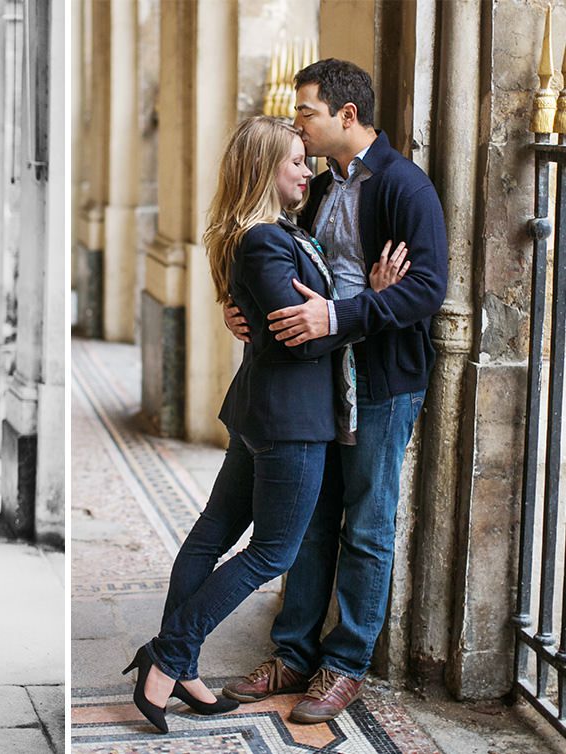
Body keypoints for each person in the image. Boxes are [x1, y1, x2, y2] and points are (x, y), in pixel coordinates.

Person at [122, 116, 407, 734]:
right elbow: (300, 340)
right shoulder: (263, 241)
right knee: (271, 551)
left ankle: (181, 665)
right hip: (290, 419)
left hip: (268, 410)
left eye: (307, 160)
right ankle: (169, 657)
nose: (308, 171)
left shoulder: (275, 232)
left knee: (212, 532)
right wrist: (373, 306)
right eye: (296, 162)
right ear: (263, 169)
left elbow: (286, 314)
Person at [222, 59, 448, 724]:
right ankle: (292, 653)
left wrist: (346, 313)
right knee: (312, 520)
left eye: (308, 112)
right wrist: (245, 313)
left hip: (381, 384)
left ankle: (344, 666)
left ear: (348, 116)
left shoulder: (406, 186)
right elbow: (281, 265)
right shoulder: (317, 191)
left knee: (369, 525)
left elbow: (427, 289)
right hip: (319, 380)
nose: (299, 123)